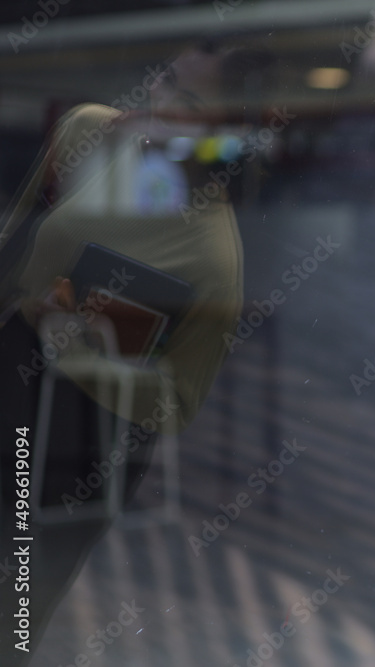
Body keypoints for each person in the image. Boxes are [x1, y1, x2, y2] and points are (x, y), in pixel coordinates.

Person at [0, 39, 273, 663]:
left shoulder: (209, 257)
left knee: (12, 614)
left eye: (189, 99)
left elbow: (177, 404)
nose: (160, 99)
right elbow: (15, 238)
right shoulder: (87, 133)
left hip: (75, 440)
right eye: (166, 79)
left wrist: (80, 344)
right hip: (9, 375)